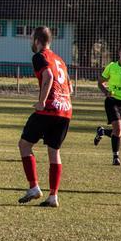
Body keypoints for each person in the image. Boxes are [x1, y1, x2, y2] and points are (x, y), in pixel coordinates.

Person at [17, 26, 73, 208]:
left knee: (24, 145)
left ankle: (33, 187)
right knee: (54, 151)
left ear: (37, 40)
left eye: (31, 38)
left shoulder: (40, 56)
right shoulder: (60, 59)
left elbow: (48, 76)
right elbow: (69, 88)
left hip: (49, 109)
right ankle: (53, 196)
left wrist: (42, 101)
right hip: (65, 110)